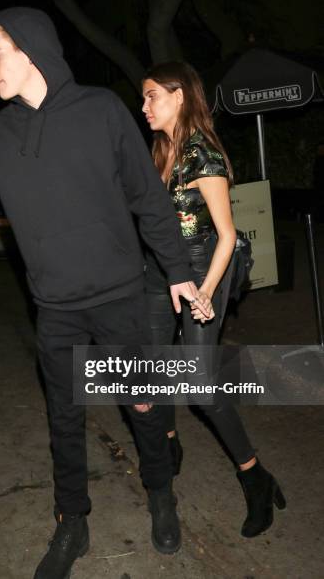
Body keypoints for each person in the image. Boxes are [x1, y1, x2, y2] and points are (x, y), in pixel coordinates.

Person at [0, 9, 212, 578]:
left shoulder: (103, 112)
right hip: (56, 309)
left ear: (30, 48)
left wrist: (178, 269)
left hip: (119, 298)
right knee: (64, 417)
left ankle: (161, 493)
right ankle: (72, 522)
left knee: (143, 405)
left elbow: (147, 197)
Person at [141, 61, 286, 538]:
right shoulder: (162, 150)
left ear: (178, 96)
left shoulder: (203, 156)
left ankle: (254, 476)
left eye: (151, 97)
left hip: (205, 268)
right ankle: (167, 441)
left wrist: (204, 293)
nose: (144, 106)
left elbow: (226, 235)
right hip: (159, 271)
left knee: (200, 385)